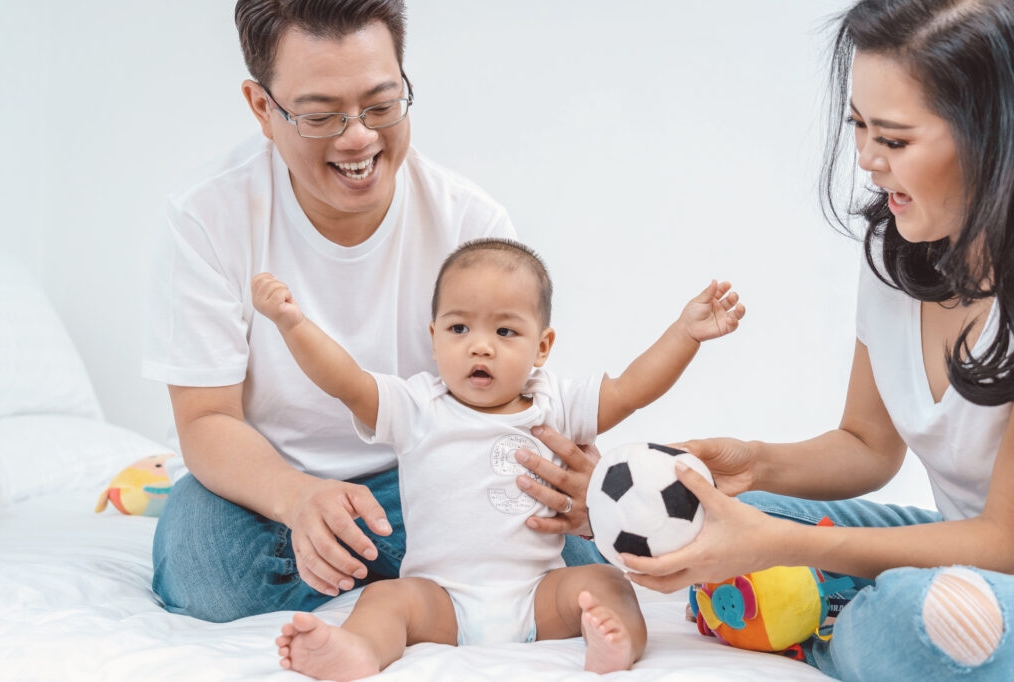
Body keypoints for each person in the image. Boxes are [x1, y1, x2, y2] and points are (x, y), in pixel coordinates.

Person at [521, 0, 1014, 679]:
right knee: (737, 514)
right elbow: (868, 446)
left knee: (935, 613)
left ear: (991, 137)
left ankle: (824, 630)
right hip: (963, 556)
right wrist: (753, 464)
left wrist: (770, 545)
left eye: (895, 141)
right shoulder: (902, 251)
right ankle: (828, 607)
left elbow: (1002, 540)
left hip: (993, 567)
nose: (867, 160)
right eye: (859, 127)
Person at [142, 0, 599, 623]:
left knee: (571, 559)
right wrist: (297, 497)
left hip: (435, 470)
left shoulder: (470, 222)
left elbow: (510, 397)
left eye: (382, 106)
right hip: (269, 485)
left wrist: (569, 470)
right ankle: (410, 575)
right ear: (262, 109)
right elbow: (204, 418)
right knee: (207, 572)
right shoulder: (208, 217)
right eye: (320, 116)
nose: (359, 138)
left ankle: (382, 577)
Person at [253, 238, 745, 678]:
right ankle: (359, 650)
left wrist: (685, 334)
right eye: (459, 327)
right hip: (439, 598)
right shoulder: (416, 406)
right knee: (385, 599)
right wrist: (292, 324)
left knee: (605, 581)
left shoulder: (556, 403)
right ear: (434, 336)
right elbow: (346, 381)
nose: (480, 346)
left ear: (542, 346)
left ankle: (617, 643)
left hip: (538, 595)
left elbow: (631, 390)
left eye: (505, 332)